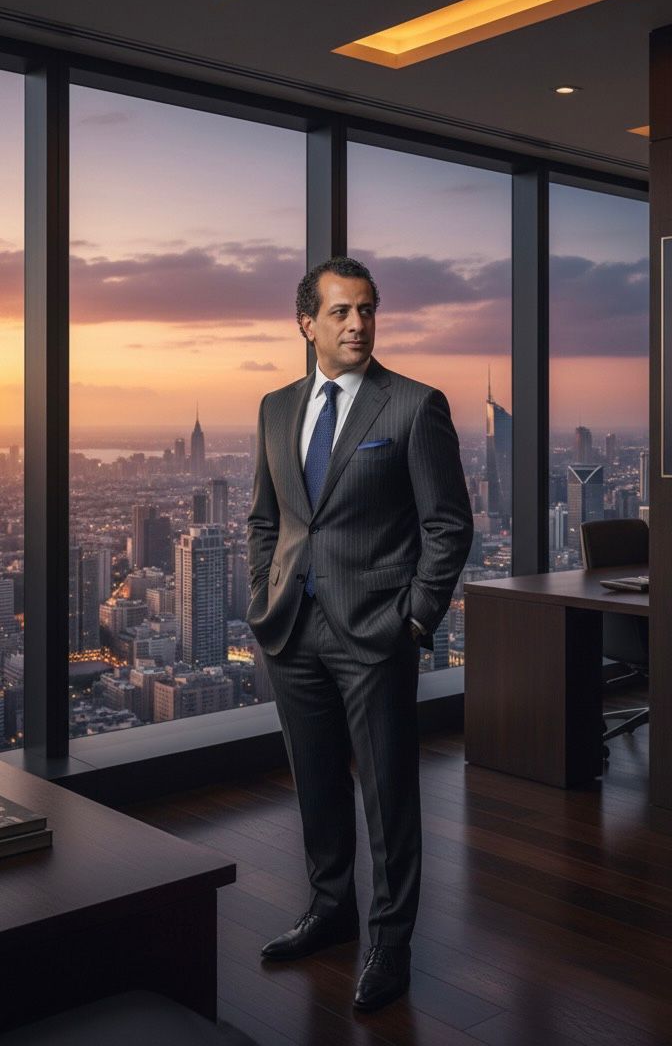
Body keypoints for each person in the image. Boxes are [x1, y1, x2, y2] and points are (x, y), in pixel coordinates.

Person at [245, 255, 473, 1011]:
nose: (358, 324)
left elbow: (448, 526)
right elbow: (265, 519)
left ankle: (389, 943)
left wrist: (413, 619)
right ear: (305, 322)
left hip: (375, 634)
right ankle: (329, 910)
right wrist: (261, 597)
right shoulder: (276, 407)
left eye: (367, 309)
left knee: (388, 796)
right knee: (316, 786)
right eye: (341, 312)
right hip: (291, 630)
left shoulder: (412, 405)